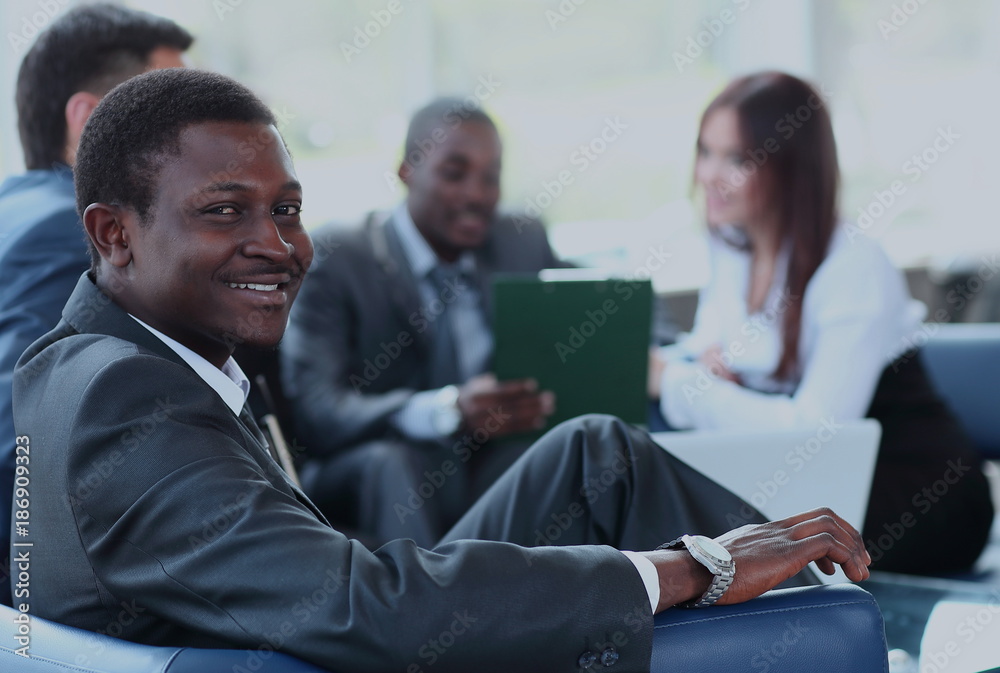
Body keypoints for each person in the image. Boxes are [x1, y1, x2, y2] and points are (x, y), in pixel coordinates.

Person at [14, 68, 871, 672]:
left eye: (286, 209)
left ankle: (830, 605)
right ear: (113, 233)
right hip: (351, 648)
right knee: (696, 551)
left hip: (314, 633)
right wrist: (692, 565)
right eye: (224, 211)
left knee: (596, 453)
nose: (277, 245)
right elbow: (364, 606)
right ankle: (848, 631)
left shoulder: (71, 363)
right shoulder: (127, 400)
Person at [649, 71, 994, 575]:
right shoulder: (734, 248)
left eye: (738, 160)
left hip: (915, 495)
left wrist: (678, 385)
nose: (709, 175)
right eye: (706, 152)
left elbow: (814, 434)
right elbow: (709, 346)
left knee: (711, 542)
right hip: (817, 491)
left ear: (791, 168)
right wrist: (701, 369)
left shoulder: (853, 264)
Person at [280, 98, 570, 546]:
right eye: (454, 174)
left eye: (490, 177)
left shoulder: (520, 240)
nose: (477, 195)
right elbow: (319, 411)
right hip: (374, 466)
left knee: (553, 445)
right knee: (393, 462)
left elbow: (609, 297)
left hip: (482, 460)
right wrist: (445, 411)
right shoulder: (340, 257)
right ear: (407, 171)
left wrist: (672, 359)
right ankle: (421, 590)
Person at [0, 3, 192, 605]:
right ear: (89, 120)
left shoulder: (16, 207)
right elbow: (23, 437)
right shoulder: (74, 232)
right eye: (172, 116)